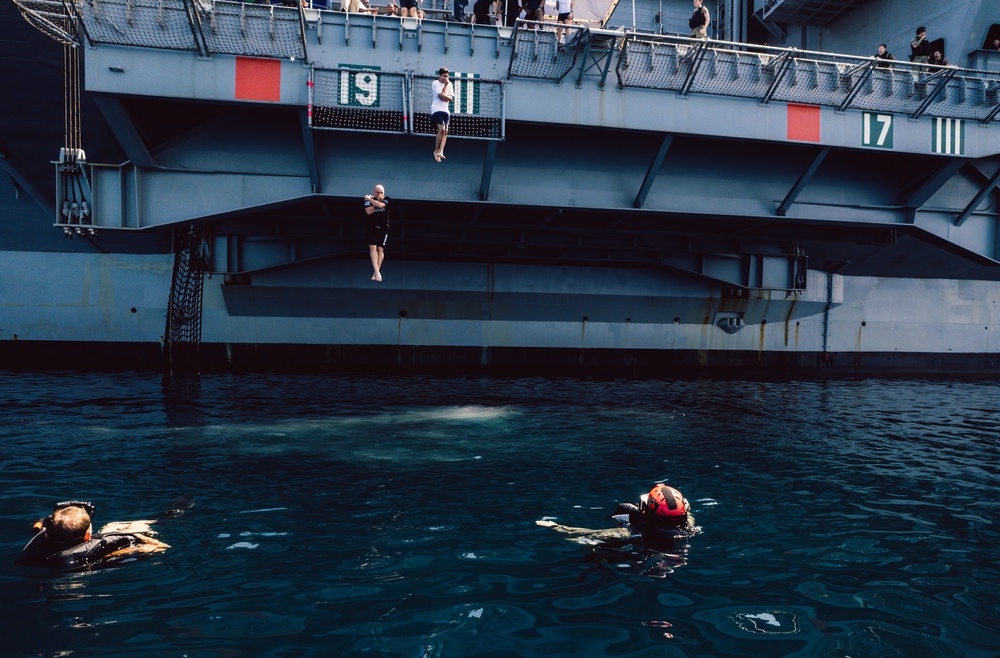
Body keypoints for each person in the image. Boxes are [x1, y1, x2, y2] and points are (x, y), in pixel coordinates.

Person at [16, 500, 171, 570]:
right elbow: (160, 547)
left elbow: (54, 522)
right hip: (93, 561)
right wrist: (142, 537)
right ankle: (163, 519)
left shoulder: (40, 542)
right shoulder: (91, 549)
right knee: (135, 527)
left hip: (64, 561)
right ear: (87, 537)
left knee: (112, 526)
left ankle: (156, 519)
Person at [537, 483, 699, 548]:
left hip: (633, 551)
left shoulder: (632, 532)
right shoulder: (689, 528)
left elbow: (588, 534)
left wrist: (556, 526)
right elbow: (686, 512)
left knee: (588, 545)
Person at [364, 184, 389, 282]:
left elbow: (381, 205)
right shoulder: (369, 201)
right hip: (372, 228)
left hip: (384, 228)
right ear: (374, 192)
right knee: (373, 248)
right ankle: (377, 272)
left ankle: (376, 272)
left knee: (380, 249)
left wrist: (370, 200)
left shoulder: (387, 199)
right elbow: (368, 211)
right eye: (378, 192)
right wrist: (376, 203)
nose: (380, 194)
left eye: (381, 193)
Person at [431, 67, 453, 163]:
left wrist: (446, 95)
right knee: (442, 129)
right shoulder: (435, 83)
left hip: (445, 110)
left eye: (447, 76)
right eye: (444, 76)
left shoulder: (450, 84)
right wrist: (445, 86)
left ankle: (441, 151)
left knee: (446, 131)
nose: (445, 78)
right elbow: (440, 96)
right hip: (436, 109)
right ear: (440, 75)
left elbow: (451, 98)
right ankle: (436, 150)